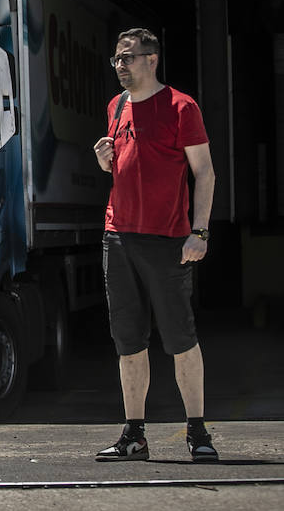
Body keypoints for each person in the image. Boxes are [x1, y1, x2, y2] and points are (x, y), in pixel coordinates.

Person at [92, 27, 219, 464]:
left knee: (180, 337)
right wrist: (104, 160)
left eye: (128, 57)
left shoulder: (182, 107)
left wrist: (199, 232)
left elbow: (204, 172)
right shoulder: (117, 106)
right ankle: (133, 435)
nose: (121, 66)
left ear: (152, 59)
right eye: (117, 59)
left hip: (168, 240)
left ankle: (197, 432)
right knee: (128, 340)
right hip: (119, 236)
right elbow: (124, 171)